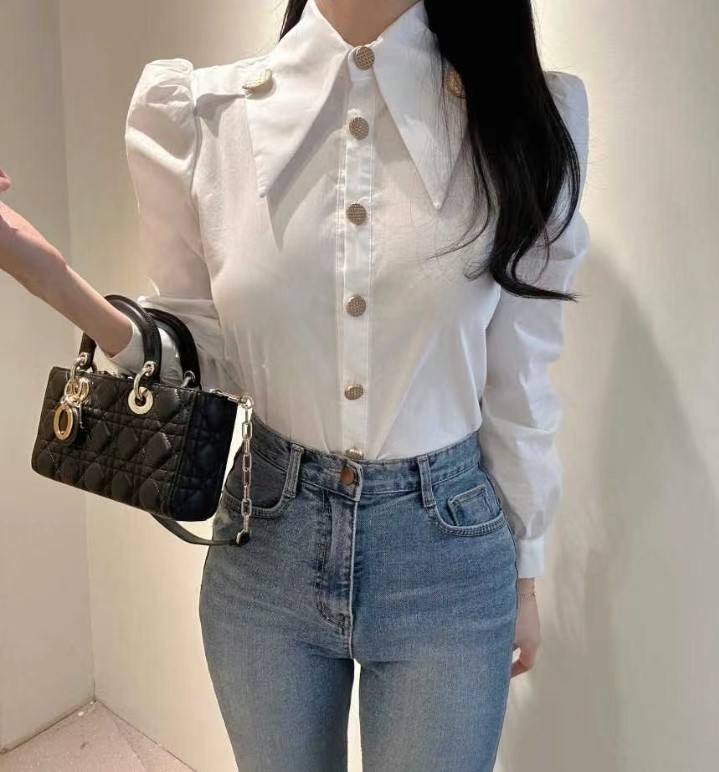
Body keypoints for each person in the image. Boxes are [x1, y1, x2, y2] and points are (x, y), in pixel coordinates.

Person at [0, 0, 590, 768]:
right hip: (266, 541)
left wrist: (526, 572)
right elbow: (199, 357)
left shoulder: (518, 122)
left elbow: (520, 385)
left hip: (444, 554)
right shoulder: (203, 119)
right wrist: (44, 273)